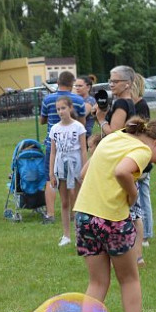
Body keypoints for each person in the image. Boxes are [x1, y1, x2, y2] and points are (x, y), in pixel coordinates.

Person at [73, 118, 156, 312]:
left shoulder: (114, 136)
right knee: (129, 280)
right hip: (112, 219)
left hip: (85, 216)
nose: (155, 162)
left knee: (97, 283)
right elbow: (122, 171)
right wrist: (132, 194)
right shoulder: (142, 150)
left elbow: (83, 174)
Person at [40, 72, 87, 224]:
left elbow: (42, 120)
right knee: (74, 180)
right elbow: (82, 122)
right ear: (72, 83)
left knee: (50, 179)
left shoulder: (47, 99)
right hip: (73, 148)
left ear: (58, 82)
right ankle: (75, 212)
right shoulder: (79, 100)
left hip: (52, 145)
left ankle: (50, 214)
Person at [48, 96, 88, 247]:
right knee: (64, 202)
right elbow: (53, 152)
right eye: (58, 109)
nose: (60, 112)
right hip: (61, 168)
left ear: (70, 108)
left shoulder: (78, 127)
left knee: (77, 202)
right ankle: (66, 235)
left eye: (63, 108)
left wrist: (85, 171)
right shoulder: (55, 129)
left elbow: (84, 150)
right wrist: (52, 173)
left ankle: (81, 235)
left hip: (76, 168)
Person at [130, 74, 156, 264]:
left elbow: (142, 131)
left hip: (140, 157)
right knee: (140, 196)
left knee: (143, 195)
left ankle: (145, 233)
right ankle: (143, 232)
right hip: (136, 155)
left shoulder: (141, 105)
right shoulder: (133, 105)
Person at [94, 66, 137, 145]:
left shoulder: (121, 103)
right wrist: (98, 115)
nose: (111, 85)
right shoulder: (129, 101)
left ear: (127, 84)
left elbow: (114, 134)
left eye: (115, 82)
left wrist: (101, 119)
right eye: (110, 81)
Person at [73, 76, 98, 140]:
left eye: (80, 86)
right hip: (75, 134)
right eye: (76, 86)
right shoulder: (76, 100)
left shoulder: (90, 100)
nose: (77, 88)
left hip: (84, 136)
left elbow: (80, 115)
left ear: (88, 87)